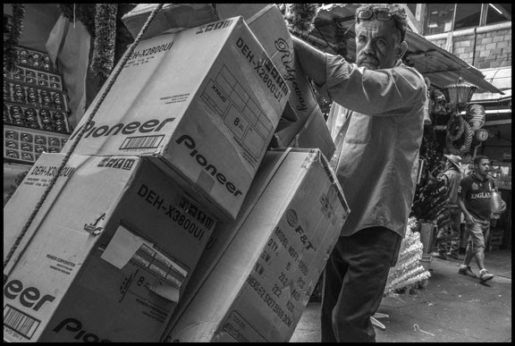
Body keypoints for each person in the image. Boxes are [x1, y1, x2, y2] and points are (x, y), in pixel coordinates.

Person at [292, 4, 427, 342]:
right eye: (363, 39)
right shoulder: (346, 96)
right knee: (329, 320)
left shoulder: (409, 83)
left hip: (376, 224)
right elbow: (332, 149)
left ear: (401, 48)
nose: (368, 49)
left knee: (348, 323)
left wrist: (284, 40)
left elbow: (350, 80)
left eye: (381, 42)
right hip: (339, 221)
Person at [458, 155, 497, 283]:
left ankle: (464, 267)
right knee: (479, 245)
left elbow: (494, 197)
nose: (487, 167)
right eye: (484, 164)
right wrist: (467, 215)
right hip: (473, 220)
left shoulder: (491, 181)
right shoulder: (466, 181)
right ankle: (483, 271)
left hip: (487, 219)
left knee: (473, 245)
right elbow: (459, 200)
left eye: (488, 164)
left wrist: (495, 211)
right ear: (476, 166)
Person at [435, 154, 463, 260]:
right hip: (457, 206)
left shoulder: (446, 175)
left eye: (447, 161)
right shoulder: (461, 175)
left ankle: (442, 251)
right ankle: (454, 252)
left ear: (450, 163)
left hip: (446, 205)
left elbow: (440, 190)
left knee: (443, 228)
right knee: (456, 230)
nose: (446, 162)